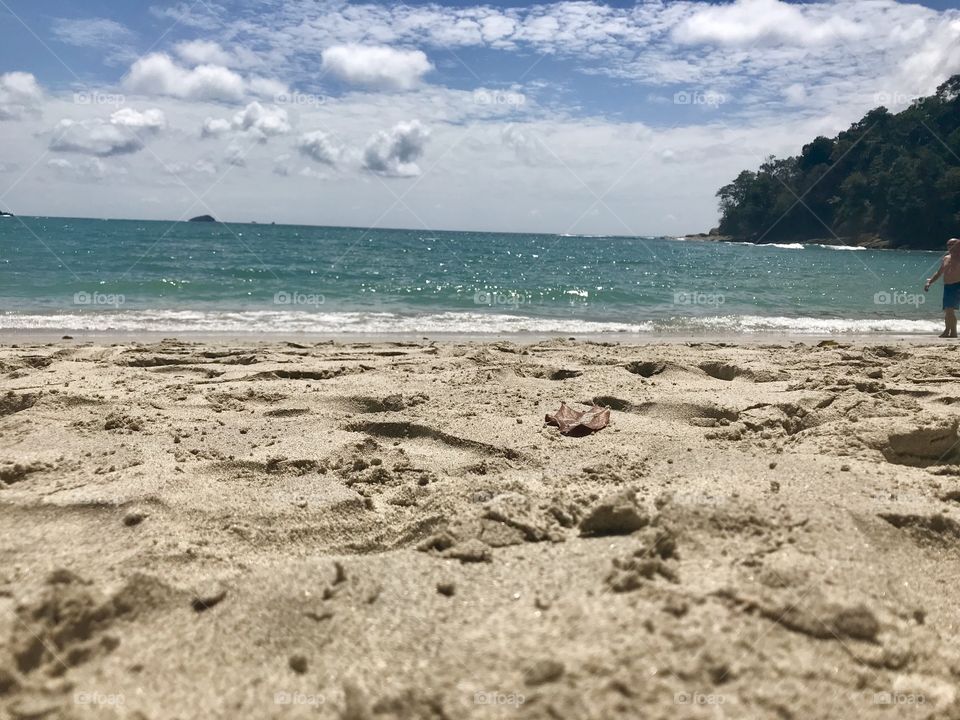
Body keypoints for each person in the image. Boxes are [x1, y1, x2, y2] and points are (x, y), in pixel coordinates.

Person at [925, 238, 960, 338]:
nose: (949, 247)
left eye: (952, 244)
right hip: (948, 286)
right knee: (947, 310)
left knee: (949, 309)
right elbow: (939, 273)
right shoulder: (946, 258)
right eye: (948, 245)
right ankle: (947, 330)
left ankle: (953, 333)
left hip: (957, 285)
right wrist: (929, 282)